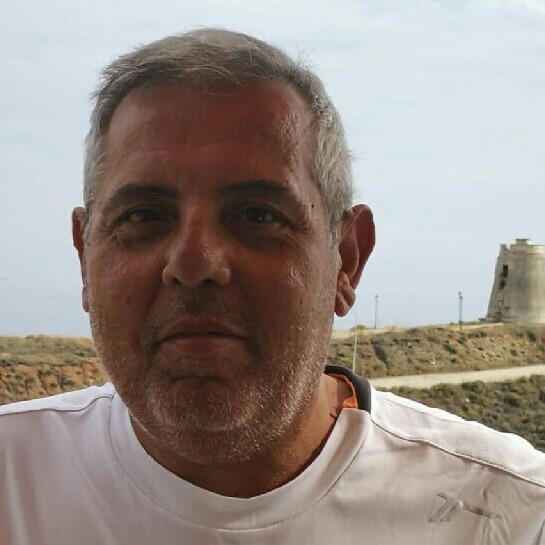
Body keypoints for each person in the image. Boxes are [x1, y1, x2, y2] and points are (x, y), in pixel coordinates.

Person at [1, 28, 544, 545]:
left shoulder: (511, 515)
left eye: (257, 215)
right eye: (143, 216)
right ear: (84, 256)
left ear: (347, 259)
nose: (194, 263)